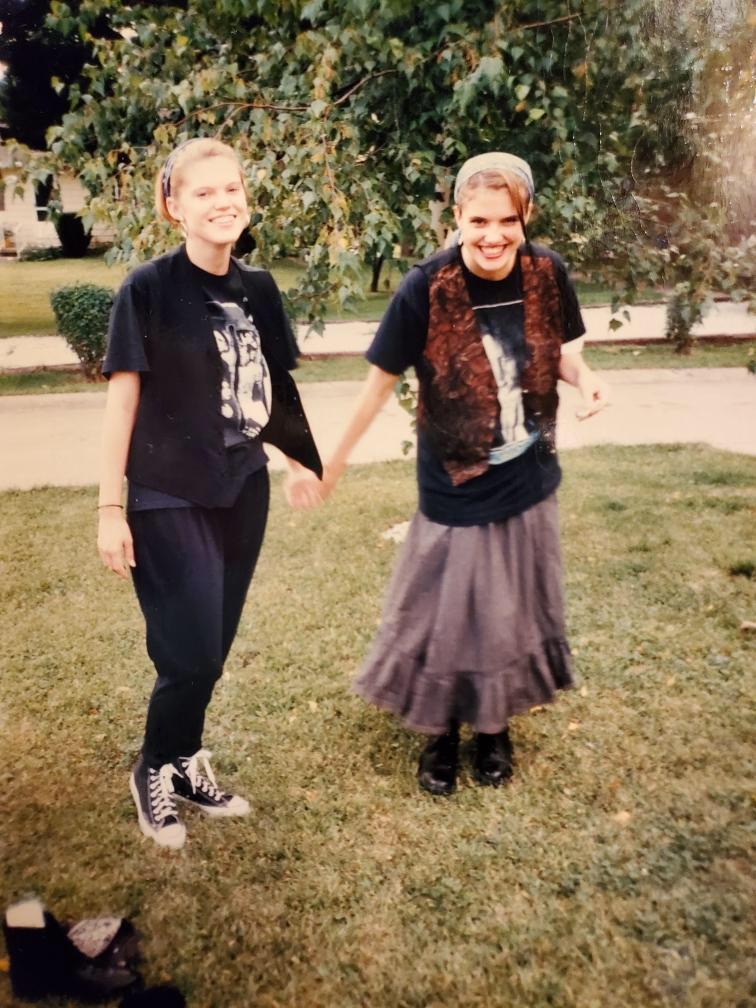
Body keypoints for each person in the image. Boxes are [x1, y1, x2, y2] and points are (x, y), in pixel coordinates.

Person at [310, 151, 609, 796]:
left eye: (507, 220)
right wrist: (331, 463)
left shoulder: (548, 273)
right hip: (455, 476)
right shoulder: (426, 286)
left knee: (508, 611)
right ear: (457, 217)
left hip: (527, 471)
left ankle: (494, 730)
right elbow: (374, 390)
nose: (493, 235)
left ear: (525, 215)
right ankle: (441, 733)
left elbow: (562, 356)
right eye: (478, 220)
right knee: (448, 611)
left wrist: (587, 381)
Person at [97, 137, 322, 848]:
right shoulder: (148, 289)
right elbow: (122, 403)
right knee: (187, 650)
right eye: (203, 192)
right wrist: (110, 506)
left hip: (240, 489)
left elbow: (272, 386)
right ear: (174, 207)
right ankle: (152, 769)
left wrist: (295, 459)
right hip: (167, 492)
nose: (222, 202)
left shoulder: (257, 289)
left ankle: (187, 762)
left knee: (213, 648)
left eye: (232, 189)